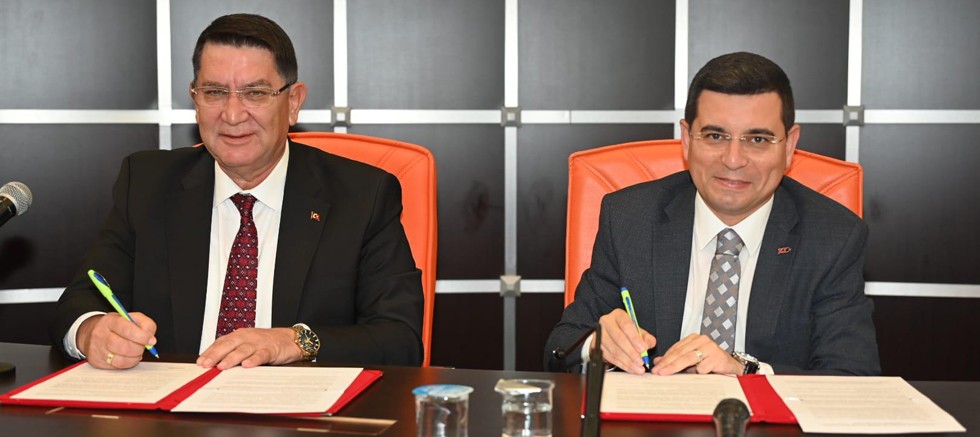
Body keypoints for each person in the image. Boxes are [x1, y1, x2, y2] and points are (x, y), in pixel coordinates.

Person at [51, 14, 424, 370]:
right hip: (173, 406)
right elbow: (80, 301)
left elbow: (399, 340)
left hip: (297, 407)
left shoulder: (362, 196)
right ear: (195, 99)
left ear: (293, 103)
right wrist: (91, 331)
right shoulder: (148, 184)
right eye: (214, 92)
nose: (232, 114)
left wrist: (292, 342)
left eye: (255, 93)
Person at [545, 52, 880, 376]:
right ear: (687, 139)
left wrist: (745, 371)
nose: (733, 160)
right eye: (715, 136)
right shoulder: (630, 219)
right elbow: (559, 350)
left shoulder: (833, 237)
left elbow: (853, 376)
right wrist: (596, 346)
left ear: (789, 146)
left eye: (757, 139)